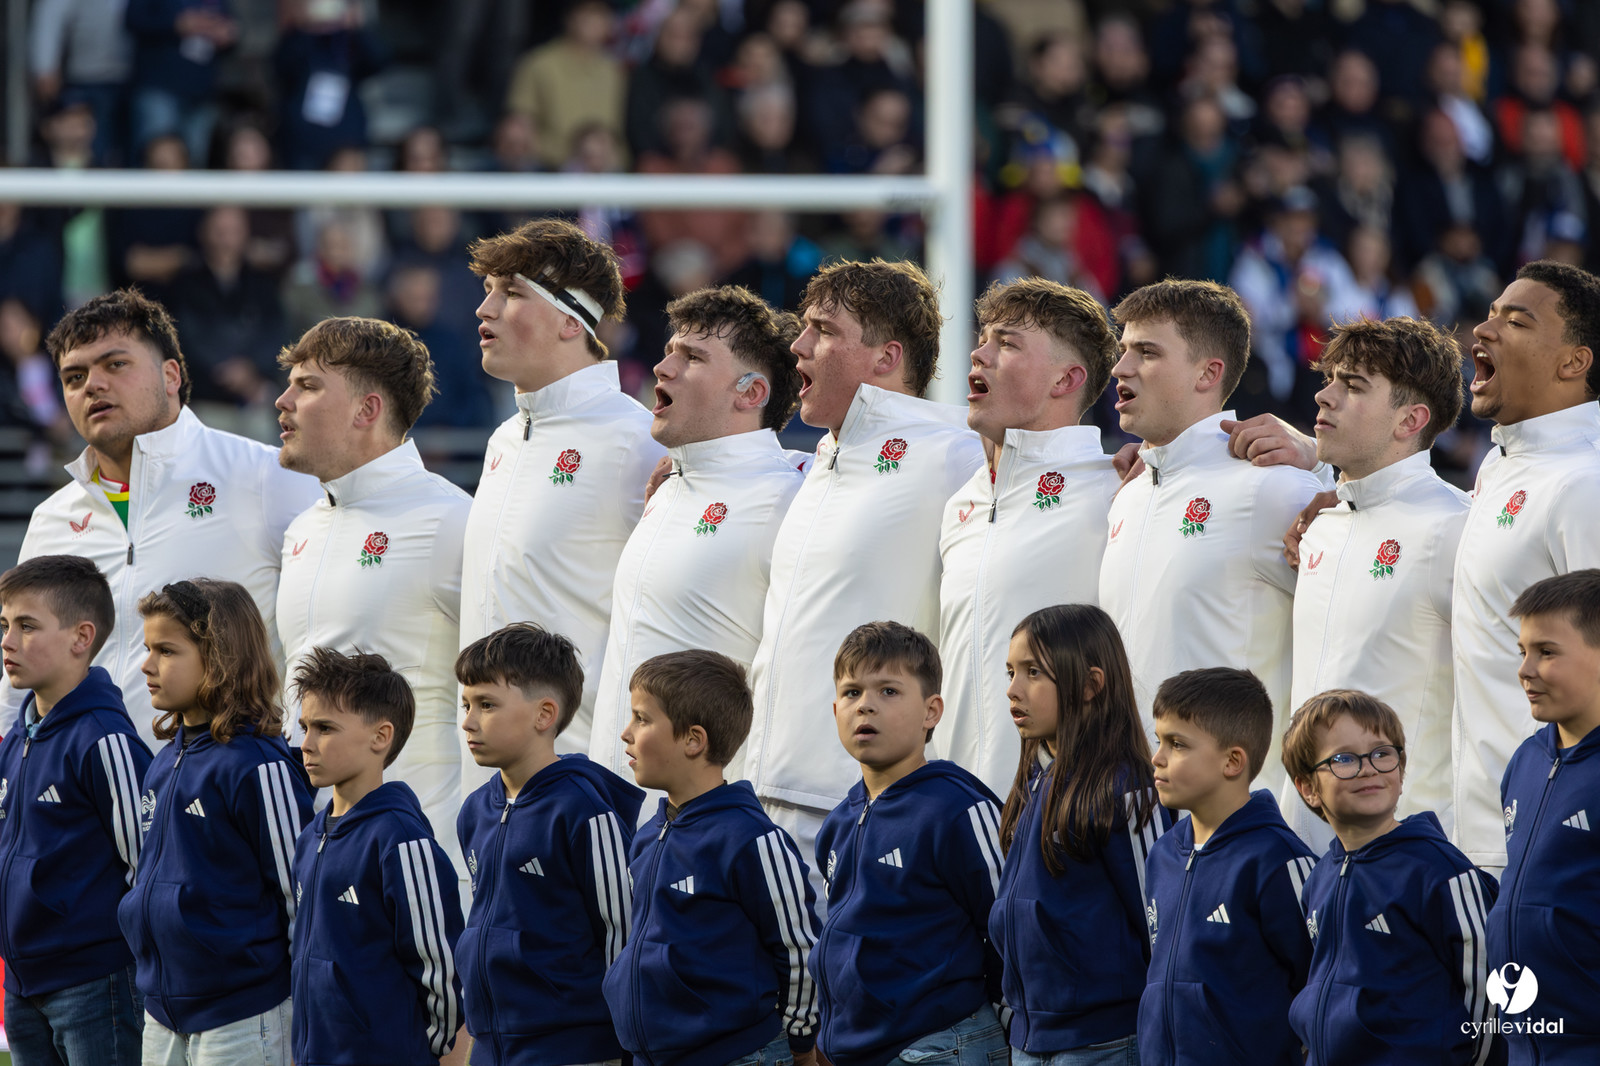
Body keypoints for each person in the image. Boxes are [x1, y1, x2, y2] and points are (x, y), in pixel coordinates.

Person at [741, 259, 984, 898]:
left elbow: (1060, 472)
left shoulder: (954, 451)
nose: (797, 346)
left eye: (822, 330)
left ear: (886, 357)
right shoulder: (819, 460)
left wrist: (1288, 446)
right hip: (761, 796)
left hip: (857, 806)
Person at [6, 289, 319, 753]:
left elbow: (316, 637)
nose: (92, 385)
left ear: (171, 375)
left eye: (115, 365)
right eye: (74, 377)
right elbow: (18, 673)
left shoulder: (267, 476)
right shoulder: (51, 518)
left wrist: (290, 759)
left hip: (222, 797)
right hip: (78, 804)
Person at [1099, 280, 1326, 791]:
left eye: (1147, 352)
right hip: (1129, 807)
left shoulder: (1268, 486)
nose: (1121, 368)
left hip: (1236, 819)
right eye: (1122, 351)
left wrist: (1324, 464)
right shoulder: (1129, 494)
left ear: (1209, 373)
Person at [461, 218, 665, 775]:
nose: (486, 310)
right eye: (487, 293)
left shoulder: (634, 441)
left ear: (571, 321)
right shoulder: (504, 438)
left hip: (587, 784)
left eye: (511, 293)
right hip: (493, 787)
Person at [273, 316, 471, 886]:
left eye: (308, 386)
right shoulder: (301, 529)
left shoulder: (449, 520)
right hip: (316, 856)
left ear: (367, 410)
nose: (283, 401)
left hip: (420, 862)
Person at [590, 285, 806, 792]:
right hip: (621, 815)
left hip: (707, 829)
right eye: (669, 352)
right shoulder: (666, 489)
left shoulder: (788, 498)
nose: (664, 368)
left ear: (751, 393)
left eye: (691, 357)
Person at [1287, 317, 1469, 846]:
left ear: (1411, 419)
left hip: (1410, 857)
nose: (1324, 396)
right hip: (1307, 848)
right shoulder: (1320, 527)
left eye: (1353, 385)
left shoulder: (1456, 527)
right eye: (1330, 379)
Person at [118, 579, 315, 1066]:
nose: (146, 665)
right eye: (147, 648)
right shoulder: (162, 764)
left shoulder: (258, 766)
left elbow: (301, 901)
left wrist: (303, 1010)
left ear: (221, 657)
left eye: (166, 650)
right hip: (162, 1015)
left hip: (244, 1016)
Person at [936, 279, 1121, 795]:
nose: (979, 353)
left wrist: (1308, 454)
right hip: (956, 818)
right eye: (983, 339)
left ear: (1066, 379)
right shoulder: (960, 502)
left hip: (1062, 818)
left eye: (1008, 343)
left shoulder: (1117, 489)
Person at [1451, 262, 1600, 871]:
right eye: (1490, 314)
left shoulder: (1584, 483)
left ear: (1573, 362)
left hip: (1552, 847)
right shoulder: (1502, 466)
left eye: (1516, 321)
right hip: (1479, 832)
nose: (1484, 332)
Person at [604, 649, 821, 1066]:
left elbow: (799, 952)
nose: (626, 733)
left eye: (642, 718)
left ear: (693, 740)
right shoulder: (648, 835)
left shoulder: (750, 839)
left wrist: (801, 1045)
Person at [812, 622, 1007, 1066]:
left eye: (888, 691)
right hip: (854, 1050)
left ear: (931, 711)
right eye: (851, 692)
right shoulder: (840, 820)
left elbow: (1006, 931)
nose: (866, 706)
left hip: (938, 1043)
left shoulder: (958, 808)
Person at [455, 623, 643, 1065]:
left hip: (572, 1050)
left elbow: (624, 935)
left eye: (486, 704)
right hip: (489, 1049)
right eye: (466, 703)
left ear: (545, 715)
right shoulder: (474, 811)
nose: (468, 720)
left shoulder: (584, 811)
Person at [993, 605, 1171, 1064]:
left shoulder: (1127, 788)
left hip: (1104, 1043)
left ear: (1092, 684)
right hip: (1030, 1040)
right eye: (1010, 671)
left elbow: (1161, 926)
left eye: (1033, 672)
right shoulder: (1035, 783)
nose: (1013, 689)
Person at [1281, 690, 1498, 1066]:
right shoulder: (1318, 879)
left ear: (1401, 769)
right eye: (1344, 759)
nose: (1368, 768)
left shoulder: (1439, 871)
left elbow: (1488, 997)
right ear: (1308, 788)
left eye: (1382, 753)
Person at [0, 556, 151, 1066]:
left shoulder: (105, 740)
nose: (7, 642)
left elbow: (147, 866)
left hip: (94, 983)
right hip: (22, 985)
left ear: (81, 637)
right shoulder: (18, 736)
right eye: (4, 626)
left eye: (27, 626)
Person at [290, 647, 465, 1066]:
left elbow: (440, 970)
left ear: (380, 737)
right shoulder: (310, 837)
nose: (306, 744)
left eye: (325, 728)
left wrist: (421, 1050)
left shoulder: (400, 840)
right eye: (304, 727)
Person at [1138, 668, 1317, 1066]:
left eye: (1177, 744)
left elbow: (1318, 987)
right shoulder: (1162, 854)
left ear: (1233, 761)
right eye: (1158, 740)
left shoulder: (1279, 861)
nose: (1157, 757)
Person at [1487, 570, 1600, 1062]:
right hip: (1524, 1044)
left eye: (1547, 652)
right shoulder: (1526, 761)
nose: (1525, 669)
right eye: (1522, 652)